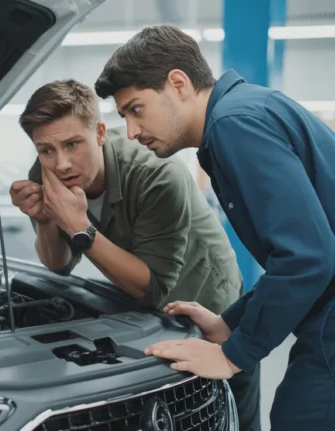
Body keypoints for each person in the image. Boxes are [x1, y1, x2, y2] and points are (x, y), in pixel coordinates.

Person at [93, 24, 335, 429]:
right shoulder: (244, 112)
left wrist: (233, 354)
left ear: (178, 83)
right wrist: (231, 322)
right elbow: (297, 253)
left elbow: (308, 258)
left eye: (136, 109)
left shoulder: (233, 125)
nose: (131, 133)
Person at [9, 79, 261, 430]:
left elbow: (153, 287)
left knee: (226, 413)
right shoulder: (46, 172)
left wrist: (81, 229)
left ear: (98, 132)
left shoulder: (156, 174)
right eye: (46, 150)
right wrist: (46, 222)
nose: (62, 164)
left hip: (208, 302)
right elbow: (59, 265)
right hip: (147, 312)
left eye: (72, 144)